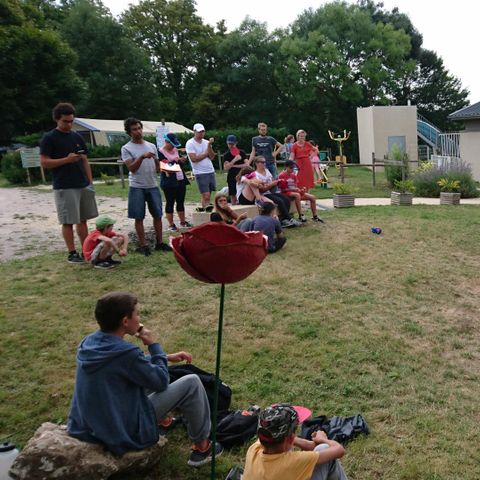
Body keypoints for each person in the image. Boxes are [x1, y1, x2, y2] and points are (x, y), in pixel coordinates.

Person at [67, 291, 223, 466]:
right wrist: (153, 345)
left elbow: (127, 367)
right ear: (125, 321)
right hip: (120, 429)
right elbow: (161, 381)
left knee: (141, 377)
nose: (139, 318)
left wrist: (166, 357)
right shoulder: (127, 354)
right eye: (137, 313)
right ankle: (202, 448)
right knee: (191, 383)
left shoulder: (88, 344)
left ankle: (163, 422)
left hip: (88, 424)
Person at [40, 102, 98, 264]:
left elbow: (84, 160)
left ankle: (86, 250)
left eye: (71, 121)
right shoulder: (49, 138)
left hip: (83, 184)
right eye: (65, 121)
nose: (69, 124)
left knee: (83, 219)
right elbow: (44, 162)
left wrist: (90, 182)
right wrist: (66, 160)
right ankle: (72, 253)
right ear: (57, 119)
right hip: (65, 186)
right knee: (68, 221)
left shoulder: (77, 136)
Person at [243, 404, 348, 480]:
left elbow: (306, 445)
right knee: (324, 448)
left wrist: (303, 442)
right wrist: (323, 439)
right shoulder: (294, 461)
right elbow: (339, 450)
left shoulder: (254, 450)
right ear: (289, 439)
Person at [121, 118, 172, 256]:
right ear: (129, 132)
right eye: (134, 129)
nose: (138, 131)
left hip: (152, 184)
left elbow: (158, 167)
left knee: (158, 215)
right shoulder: (126, 148)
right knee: (139, 216)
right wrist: (142, 157)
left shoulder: (151, 146)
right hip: (137, 186)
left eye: (139, 128)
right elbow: (132, 168)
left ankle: (159, 243)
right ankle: (143, 245)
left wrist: (166, 166)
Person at [158, 132, 192, 232]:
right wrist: (176, 161)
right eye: (172, 144)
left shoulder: (175, 150)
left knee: (180, 201)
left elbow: (178, 163)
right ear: (166, 142)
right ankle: (171, 224)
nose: (173, 147)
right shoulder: (160, 152)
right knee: (170, 202)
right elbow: (164, 166)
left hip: (180, 179)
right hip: (168, 181)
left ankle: (183, 221)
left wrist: (182, 161)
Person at [253, 157, 299, 228]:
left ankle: (284, 219)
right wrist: (271, 185)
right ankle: (288, 219)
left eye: (265, 162)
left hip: (271, 192)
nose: (264, 164)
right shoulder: (255, 174)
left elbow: (272, 181)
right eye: (262, 162)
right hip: (263, 194)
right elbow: (261, 190)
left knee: (286, 199)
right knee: (279, 201)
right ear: (256, 163)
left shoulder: (267, 171)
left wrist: (277, 182)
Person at [185, 123, 216, 208]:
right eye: (199, 132)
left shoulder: (206, 142)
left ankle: (205, 209)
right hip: (200, 172)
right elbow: (194, 159)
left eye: (203, 131)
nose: (201, 133)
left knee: (208, 195)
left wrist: (209, 146)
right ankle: (206, 210)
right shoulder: (190, 143)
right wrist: (206, 154)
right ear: (194, 132)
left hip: (210, 170)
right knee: (206, 195)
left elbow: (212, 157)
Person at [223, 134, 249, 205]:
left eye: (232, 144)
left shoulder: (242, 152)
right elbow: (226, 168)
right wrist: (234, 160)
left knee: (243, 193)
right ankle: (234, 207)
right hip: (232, 177)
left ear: (236, 143)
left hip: (242, 176)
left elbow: (247, 164)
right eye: (229, 144)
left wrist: (233, 165)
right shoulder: (226, 155)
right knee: (233, 195)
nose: (231, 145)